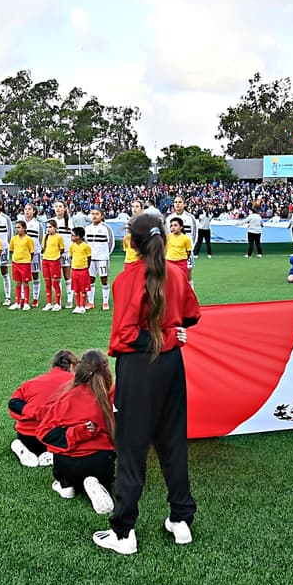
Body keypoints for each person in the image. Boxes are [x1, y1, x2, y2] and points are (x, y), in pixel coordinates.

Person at [95, 214, 202, 555]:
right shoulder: (178, 274)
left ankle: (124, 533)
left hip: (140, 368)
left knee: (132, 448)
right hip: (171, 367)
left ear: (131, 242)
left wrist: (167, 336)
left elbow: (126, 335)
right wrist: (172, 334)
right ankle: (181, 519)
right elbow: (191, 316)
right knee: (172, 442)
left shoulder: (127, 280)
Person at [36, 349, 117, 515]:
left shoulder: (67, 398)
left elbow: (44, 433)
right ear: (107, 371)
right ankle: (97, 481)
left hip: (67, 465)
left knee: (64, 471)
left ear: (79, 370)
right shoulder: (114, 396)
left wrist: (77, 432)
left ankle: (66, 485)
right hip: (101, 463)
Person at [8, 349, 78, 467]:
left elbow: (13, 404)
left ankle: (21, 447)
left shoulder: (30, 383)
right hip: (57, 437)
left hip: (27, 436)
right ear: (72, 367)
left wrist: (35, 412)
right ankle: (53, 454)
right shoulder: (77, 384)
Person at [85, 208, 115, 311]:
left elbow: (111, 243)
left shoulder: (106, 228)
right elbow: (85, 243)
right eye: (92, 214)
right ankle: (91, 302)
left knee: (104, 279)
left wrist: (106, 255)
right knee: (90, 279)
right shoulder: (87, 228)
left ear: (102, 216)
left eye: (97, 214)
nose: (94, 216)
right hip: (91, 259)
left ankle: (105, 302)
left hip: (102, 258)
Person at [51, 200, 74, 308]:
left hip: (66, 252)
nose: (58, 208)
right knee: (56, 277)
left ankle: (70, 299)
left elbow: (73, 237)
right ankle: (57, 300)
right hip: (54, 253)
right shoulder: (52, 221)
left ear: (65, 208)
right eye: (56, 206)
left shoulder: (70, 221)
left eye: (60, 206)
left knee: (67, 275)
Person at [8, 220, 35, 311]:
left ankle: (26, 302)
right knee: (17, 283)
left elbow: (32, 252)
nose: (17, 229)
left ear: (24, 228)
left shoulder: (28, 239)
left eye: (19, 227)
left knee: (25, 283)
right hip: (16, 263)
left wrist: (26, 260)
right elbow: (11, 250)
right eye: (16, 227)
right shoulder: (14, 239)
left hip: (25, 263)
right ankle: (17, 302)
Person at [41, 217, 65, 312]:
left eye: (50, 227)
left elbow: (62, 249)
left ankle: (58, 303)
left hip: (54, 261)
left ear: (55, 228)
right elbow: (44, 248)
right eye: (47, 227)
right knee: (47, 283)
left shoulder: (59, 237)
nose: (48, 229)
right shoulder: (45, 237)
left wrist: (56, 256)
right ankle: (49, 303)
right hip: (45, 260)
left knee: (55, 283)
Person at [68, 226, 93, 314]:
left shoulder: (86, 246)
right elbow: (71, 256)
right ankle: (77, 305)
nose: (72, 237)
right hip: (74, 270)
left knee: (83, 289)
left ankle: (82, 306)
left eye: (73, 235)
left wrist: (86, 267)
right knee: (76, 289)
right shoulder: (72, 246)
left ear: (78, 236)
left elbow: (89, 258)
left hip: (83, 270)